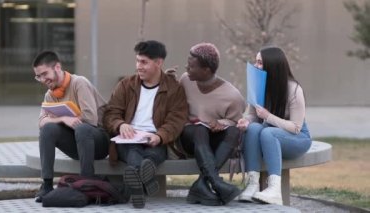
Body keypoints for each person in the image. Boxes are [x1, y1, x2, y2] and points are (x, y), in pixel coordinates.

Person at [103, 40, 188, 209]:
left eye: (144, 62)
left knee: (154, 154)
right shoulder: (126, 85)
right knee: (134, 150)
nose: (138, 66)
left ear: (159, 63)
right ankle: (145, 181)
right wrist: (120, 125)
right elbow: (110, 112)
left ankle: (137, 185)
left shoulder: (174, 88)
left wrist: (159, 136)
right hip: (127, 139)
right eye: (137, 61)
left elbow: (177, 119)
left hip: (155, 138)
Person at [237, 47, 312, 205]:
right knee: (254, 128)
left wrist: (268, 117)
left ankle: (274, 190)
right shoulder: (257, 85)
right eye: (255, 61)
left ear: (272, 66)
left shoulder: (294, 89)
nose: (256, 66)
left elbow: (296, 127)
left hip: (297, 138)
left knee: (268, 133)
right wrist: (246, 121)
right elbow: (252, 115)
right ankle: (252, 184)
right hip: (272, 134)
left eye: (260, 62)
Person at [33, 51, 110, 202]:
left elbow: (90, 118)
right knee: (48, 129)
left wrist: (67, 119)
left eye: (44, 74)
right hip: (77, 143)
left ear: (57, 67)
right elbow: (41, 122)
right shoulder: (50, 94)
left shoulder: (79, 83)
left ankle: (87, 183)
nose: (42, 79)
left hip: (99, 141)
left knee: (82, 128)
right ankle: (47, 185)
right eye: (38, 76)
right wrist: (63, 119)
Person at [179, 43, 245, 206]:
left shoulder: (232, 96)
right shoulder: (185, 80)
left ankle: (201, 185)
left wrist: (221, 122)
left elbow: (235, 122)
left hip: (212, 140)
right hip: (187, 138)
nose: (186, 67)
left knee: (234, 132)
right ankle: (216, 182)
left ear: (206, 70)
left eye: (191, 66)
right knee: (200, 129)